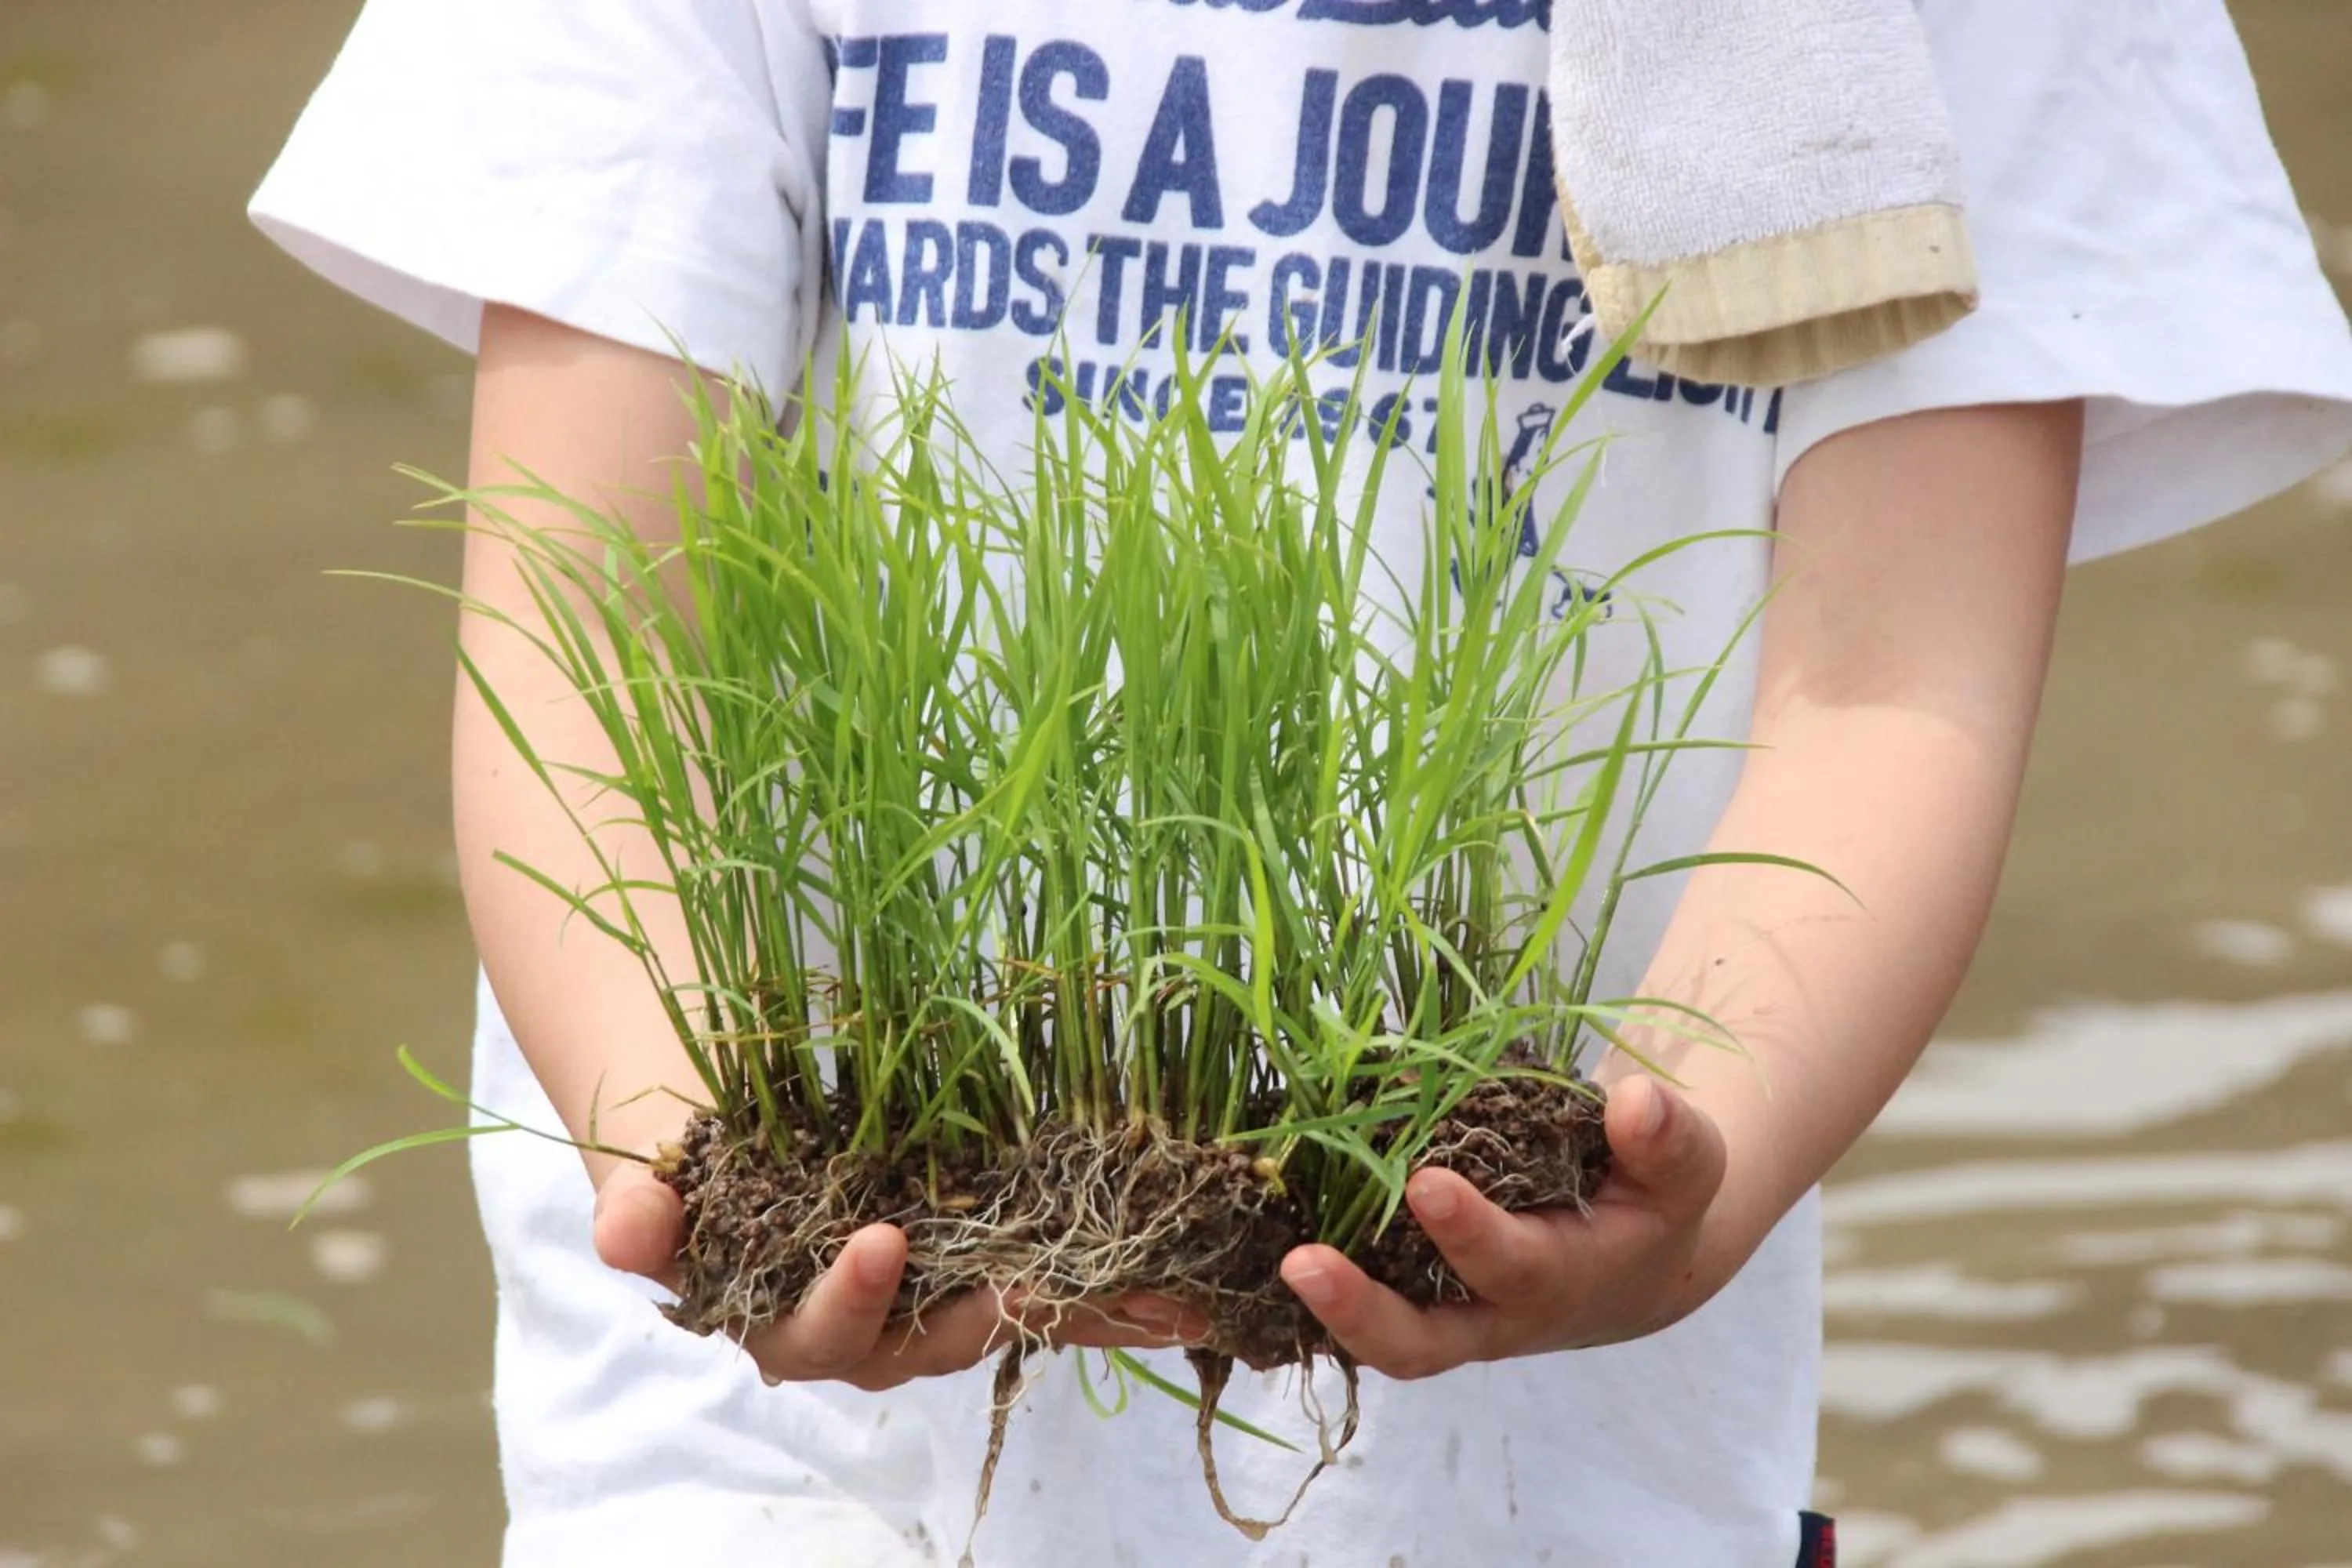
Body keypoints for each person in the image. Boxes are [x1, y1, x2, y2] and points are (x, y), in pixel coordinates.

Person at [250, 2, 2352, 1564]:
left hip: (1560, 1468)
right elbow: (601, 634)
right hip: (773, 1478)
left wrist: (1666, 1199)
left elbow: (1889, 690)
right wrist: (693, 1159)